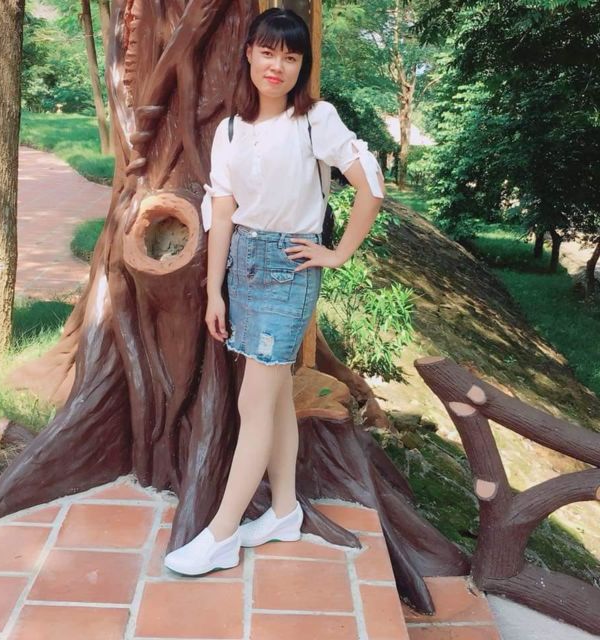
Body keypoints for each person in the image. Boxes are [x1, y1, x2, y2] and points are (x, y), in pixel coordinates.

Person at [164, 7, 385, 576]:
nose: (277, 65)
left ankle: (220, 534)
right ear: (249, 54)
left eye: (290, 56)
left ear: (300, 65)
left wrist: (338, 253)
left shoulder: (316, 120)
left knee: (253, 403)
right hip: (243, 267)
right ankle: (285, 511)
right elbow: (222, 212)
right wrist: (215, 291)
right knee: (277, 393)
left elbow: (370, 186)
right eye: (267, 52)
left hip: (290, 268)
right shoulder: (230, 131)